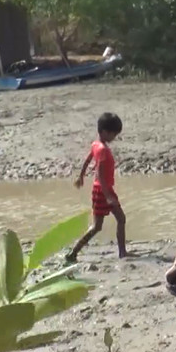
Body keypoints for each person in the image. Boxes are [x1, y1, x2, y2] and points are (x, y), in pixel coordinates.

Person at [67, 112, 128, 262]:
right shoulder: (103, 150)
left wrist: (81, 176)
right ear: (104, 132)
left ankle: (74, 252)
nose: (114, 137)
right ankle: (121, 252)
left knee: (103, 224)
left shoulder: (96, 145)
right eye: (113, 134)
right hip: (103, 191)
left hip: (100, 190)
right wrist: (108, 196)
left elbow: (88, 160)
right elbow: (100, 175)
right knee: (113, 221)